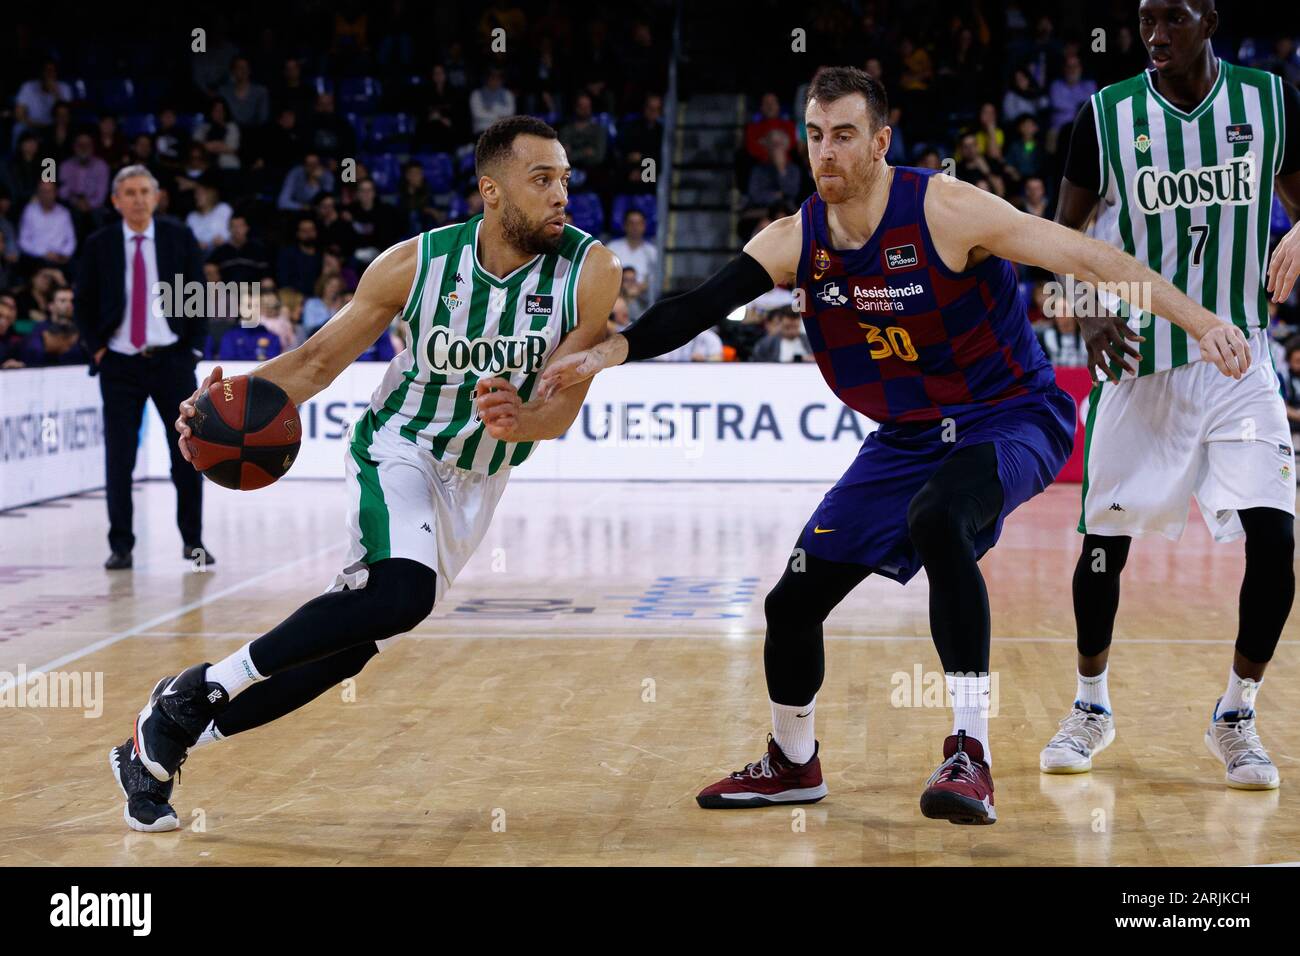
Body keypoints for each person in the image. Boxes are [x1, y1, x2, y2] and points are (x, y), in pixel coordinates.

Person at [541, 66, 1248, 825]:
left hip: (1011, 414)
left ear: (881, 141)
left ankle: (969, 753)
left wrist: (1199, 320)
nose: (825, 153)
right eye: (814, 135)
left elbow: (1088, 259)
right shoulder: (794, 238)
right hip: (906, 436)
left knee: (938, 518)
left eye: (843, 135)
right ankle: (793, 760)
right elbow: (700, 304)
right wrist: (607, 353)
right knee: (792, 599)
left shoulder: (945, 208)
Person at [108, 116, 621, 833]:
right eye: (543, 180)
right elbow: (317, 363)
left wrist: (522, 419)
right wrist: (224, 402)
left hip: (481, 477)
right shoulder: (415, 265)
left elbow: (559, 414)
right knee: (401, 595)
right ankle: (191, 694)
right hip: (400, 449)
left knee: (344, 653)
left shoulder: (591, 271)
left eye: (565, 179)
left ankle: (165, 737)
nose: (563, 194)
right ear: (492, 193)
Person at [1038, 0, 1300, 791]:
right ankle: (1091, 706)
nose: (1154, 34)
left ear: (1209, 18)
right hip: (1137, 358)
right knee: (1102, 547)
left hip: (1237, 359)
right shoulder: (1105, 117)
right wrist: (1084, 322)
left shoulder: (1271, 100)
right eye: (1145, 19)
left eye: (1172, 18)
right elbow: (1063, 235)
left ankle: (1237, 716)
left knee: (1277, 540)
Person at [73, 165, 210, 572]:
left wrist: (194, 350)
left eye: (143, 191)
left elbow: (199, 293)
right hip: (118, 362)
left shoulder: (177, 237)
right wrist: (97, 350)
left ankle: (193, 542)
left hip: (171, 360)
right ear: (115, 200)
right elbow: (82, 303)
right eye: (128, 192)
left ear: (156, 196)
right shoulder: (99, 244)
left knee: (186, 454)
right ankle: (121, 546)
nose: (136, 199)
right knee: (119, 458)